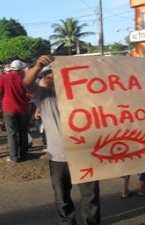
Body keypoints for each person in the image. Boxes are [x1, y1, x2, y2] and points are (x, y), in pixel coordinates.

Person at [23, 56, 101, 225]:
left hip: (85, 154)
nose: (50, 80)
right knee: (62, 197)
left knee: (91, 197)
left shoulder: (82, 95)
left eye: (54, 76)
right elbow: (27, 84)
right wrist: (37, 66)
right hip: (58, 157)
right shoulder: (43, 97)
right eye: (46, 77)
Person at [0, 60, 31, 163]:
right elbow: (31, 93)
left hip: (9, 109)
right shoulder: (25, 78)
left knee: (12, 134)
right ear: (21, 69)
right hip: (23, 109)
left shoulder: (3, 78)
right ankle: (24, 154)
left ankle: (14, 157)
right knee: (23, 132)